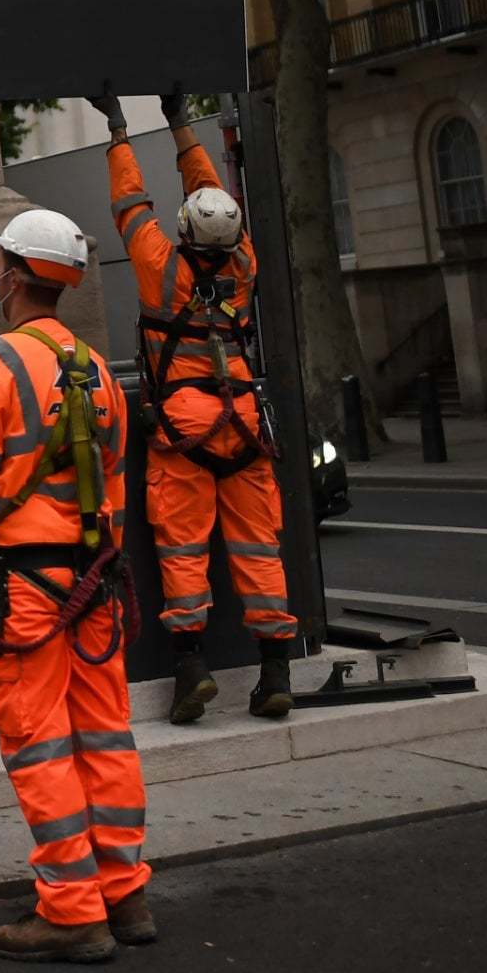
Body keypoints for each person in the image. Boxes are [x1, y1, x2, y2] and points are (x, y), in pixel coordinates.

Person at [0, 209, 150, 963]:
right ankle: (124, 892)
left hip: (21, 590)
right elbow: (116, 493)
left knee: (39, 742)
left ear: (17, 275)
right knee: (104, 734)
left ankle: (70, 911)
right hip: (96, 583)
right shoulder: (101, 375)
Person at [89, 92, 296, 723]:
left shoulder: (160, 264)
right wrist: (182, 124)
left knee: (183, 549)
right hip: (245, 423)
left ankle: (190, 669)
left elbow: (130, 204)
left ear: (184, 232)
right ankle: (274, 674)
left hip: (182, 422)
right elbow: (210, 187)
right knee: (259, 547)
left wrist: (122, 129)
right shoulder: (245, 263)